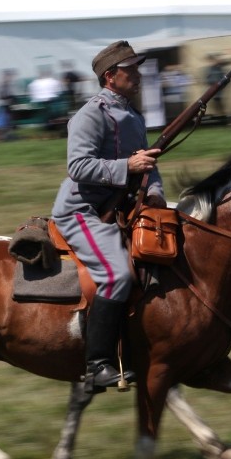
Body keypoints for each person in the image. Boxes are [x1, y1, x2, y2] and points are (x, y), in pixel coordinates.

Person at [51, 40, 166, 392]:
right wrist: (125, 166)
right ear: (110, 76)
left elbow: (147, 164)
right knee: (116, 274)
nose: (138, 75)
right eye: (130, 70)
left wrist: (157, 194)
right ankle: (98, 363)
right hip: (83, 211)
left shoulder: (133, 115)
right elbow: (78, 165)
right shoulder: (90, 114)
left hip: (120, 207)